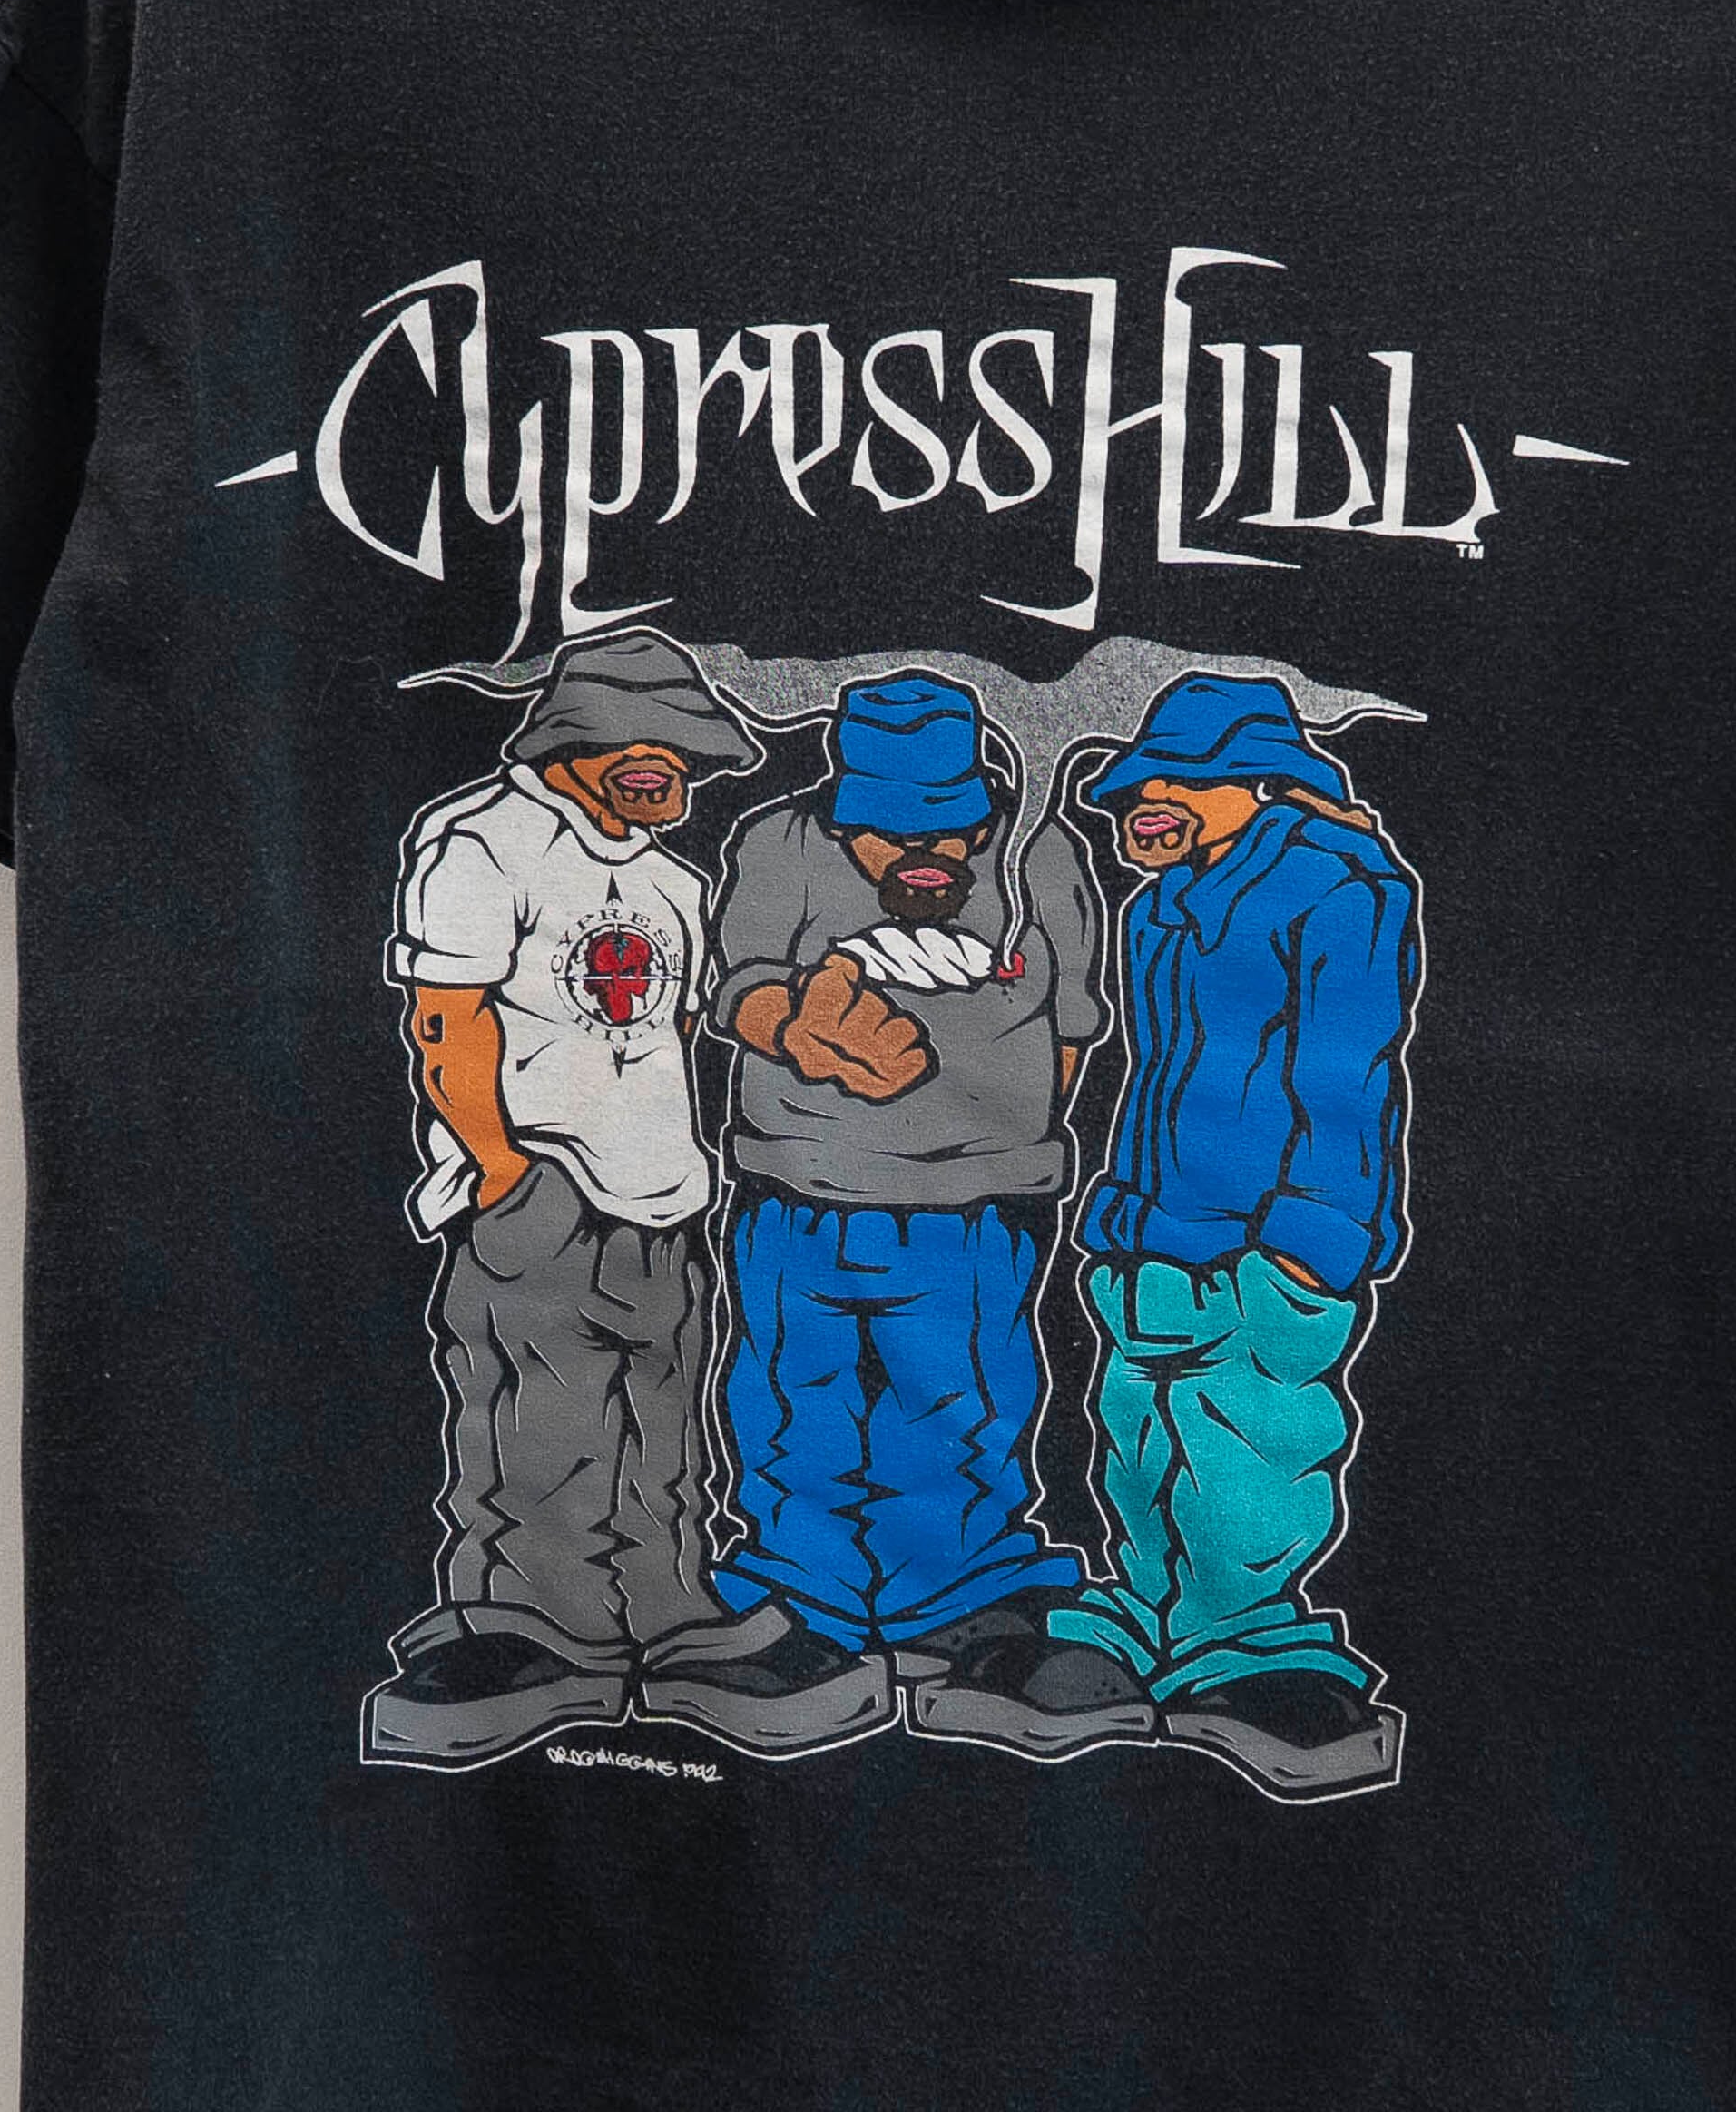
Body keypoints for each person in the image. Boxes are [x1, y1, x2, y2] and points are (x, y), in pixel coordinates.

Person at [642, 670, 1151, 1758]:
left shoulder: (1040, 853)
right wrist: (795, 1028)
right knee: (796, 1400)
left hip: (973, 1210)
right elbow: (736, 985)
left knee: (965, 1402)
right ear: (842, 809)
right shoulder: (778, 842)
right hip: (798, 1191)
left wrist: (999, 1144)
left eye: (951, 828)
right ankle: (804, 1608)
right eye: (886, 833)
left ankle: (963, 1607)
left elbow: (1072, 1024)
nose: (924, 853)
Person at [362, 627, 768, 1765]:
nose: (667, 770)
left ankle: (665, 1607)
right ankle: (528, 1627)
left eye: (683, 752)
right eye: (644, 745)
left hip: (665, 1194)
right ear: (572, 738)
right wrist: (498, 1164)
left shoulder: (675, 879)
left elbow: (678, 1030)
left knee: (663, 1412)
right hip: (541, 1185)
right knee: (537, 1418)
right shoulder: (483, 842)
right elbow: (446, 1017)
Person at [1055, 673, 1423, 1798]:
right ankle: (1148, 1617)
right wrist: (1121, 1214)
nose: (1143, 804)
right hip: (1150, 1232)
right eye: (1135, 788)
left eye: (1174, 783)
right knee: (1139, 1435)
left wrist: (1311, 1241)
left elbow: (1347, 1072)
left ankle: (1247, 1643)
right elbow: (1155, 1071)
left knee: (1250, 1444)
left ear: (1256, 783)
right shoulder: (1160, 906)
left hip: (1270, 1243)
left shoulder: (1340, 887)